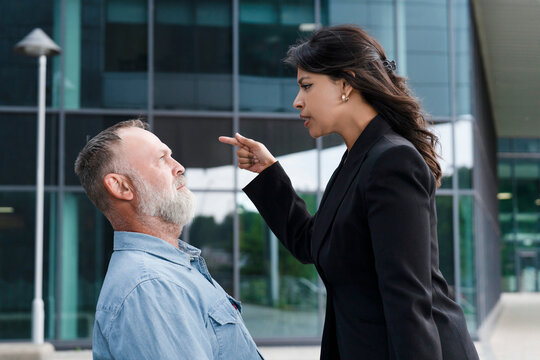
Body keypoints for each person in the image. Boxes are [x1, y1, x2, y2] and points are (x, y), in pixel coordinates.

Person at [219, 25, 479, 360]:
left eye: (306, 86)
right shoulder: (355, 161)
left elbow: (408, 299)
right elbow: (312, 243)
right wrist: (268, 174)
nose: (297, 101)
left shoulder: (392, 161)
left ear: (345, 84)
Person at [75, 120, 262, 360]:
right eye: (162, 158)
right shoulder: (150, 288)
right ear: (121, 186)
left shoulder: (170, 270)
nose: (179, 167)